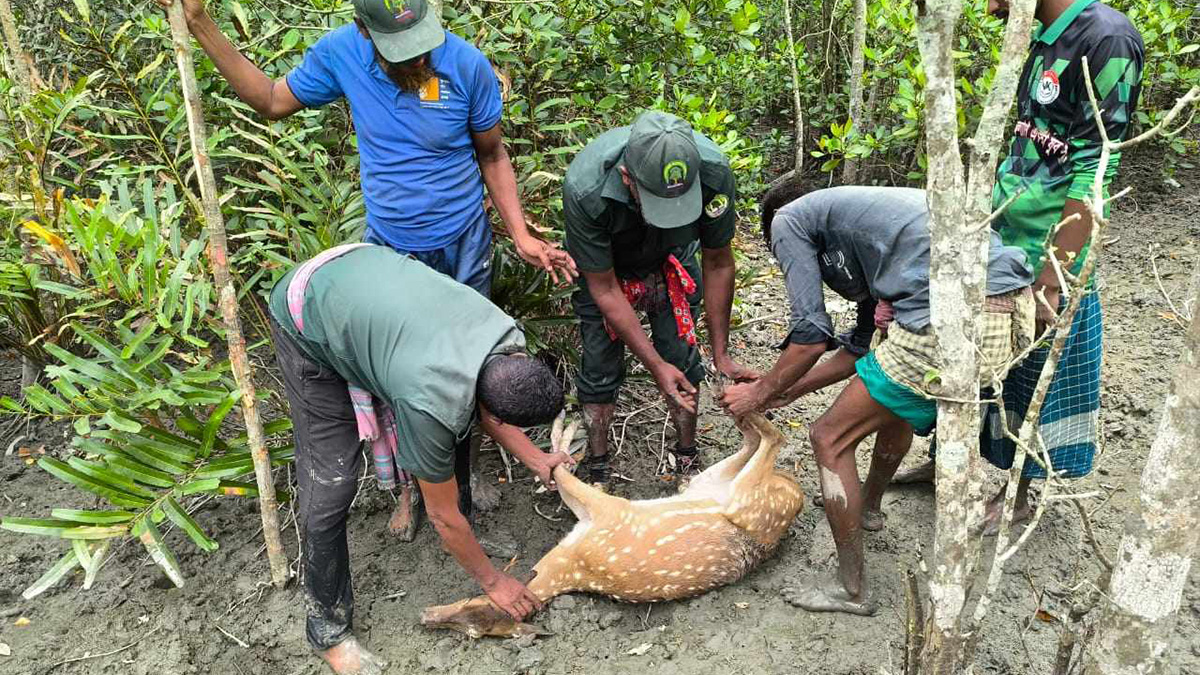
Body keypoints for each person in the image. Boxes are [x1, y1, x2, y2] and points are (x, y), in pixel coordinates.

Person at [162, 0, 579, 526]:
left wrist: (519, 234)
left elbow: (492, 154)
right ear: (364, 31)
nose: (417, 63)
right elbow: (270, 99)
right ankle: (410, 488)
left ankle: (464, 477)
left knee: (473, 369)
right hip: (392, 253)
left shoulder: (467, 65)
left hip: (463, 245)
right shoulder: (340, 54)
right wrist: (200, 22)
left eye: (423, 47)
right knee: (392, 376)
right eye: (400, 52)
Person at [721, 185, 1035, 616]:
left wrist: (757, 394)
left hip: (956, 317)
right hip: (1012, 307)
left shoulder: (787, 221)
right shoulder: (867, 223)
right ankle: (868, 507)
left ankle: (850, 588)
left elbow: (811, 337)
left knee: (829, 438)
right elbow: (861, 351)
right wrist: (783, 391)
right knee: (896, 394)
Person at [892, 0, 1144, 534]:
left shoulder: (1106, 38)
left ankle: (1019, 493)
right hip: (1001, 239)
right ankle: (946, 460)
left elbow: (1097, 167)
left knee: (1033, 377)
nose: (987, 6)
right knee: (972, 353)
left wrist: (1057, 275)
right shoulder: (1038, 36)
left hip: (1046, 253)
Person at [268, 243, 571, 674]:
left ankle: (469, 541)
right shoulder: (430, 400)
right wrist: (494, 582)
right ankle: (328, 632)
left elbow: (485, 407)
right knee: (331, 484)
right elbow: (444, 517)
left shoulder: (506, 338)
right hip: (308, 308)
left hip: (366, 280)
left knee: (456, 432)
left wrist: (537, 458)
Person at [563, 111, 756, 485]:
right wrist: (653, 364)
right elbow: (603, 288)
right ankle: (599, 466)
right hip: (608, 270)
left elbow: (718, 262)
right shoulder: (586, 188)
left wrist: (721, 354)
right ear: (626, 177)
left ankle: (687, 457)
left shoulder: (714, 173)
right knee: (600, 366)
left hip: (672, 259)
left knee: (682, 358)